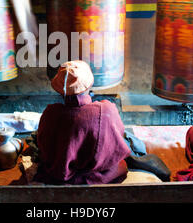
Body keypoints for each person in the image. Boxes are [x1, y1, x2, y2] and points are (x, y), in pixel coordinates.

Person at [34, 60, 170, 185]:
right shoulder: (105, 110)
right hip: (99, 176)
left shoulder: (50, 113)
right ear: (89, 85)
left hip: (58, 176)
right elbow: (117, 143)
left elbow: (44, 145)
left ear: (60, 90)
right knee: (128, 138)